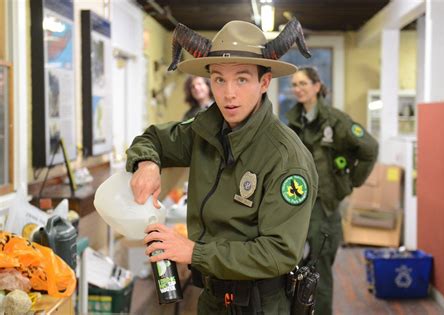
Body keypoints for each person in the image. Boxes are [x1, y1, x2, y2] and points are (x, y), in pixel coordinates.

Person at [126, 19, 319, 314]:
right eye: (218, 79)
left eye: (241, 79)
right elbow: (154, 138)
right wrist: (147, 163)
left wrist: (193, 252)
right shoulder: (205, 130)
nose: (228, 93)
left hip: (260, 304)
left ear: (263, 82)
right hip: (213, 297)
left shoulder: (286, 157)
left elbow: (278, 252)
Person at [286, 66, 378, 314]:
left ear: (317, 86)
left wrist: (351, 183)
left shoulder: (336, 121)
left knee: (319, 276)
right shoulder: (293, 122)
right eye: (294, 84)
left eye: (303, 83)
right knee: (293, 273)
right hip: (296, 208)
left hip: (324, 210)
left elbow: (369, 148)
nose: (298, 89)